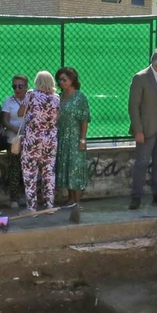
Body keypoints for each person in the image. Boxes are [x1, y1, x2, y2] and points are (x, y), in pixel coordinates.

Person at [126, 46, 157, 210]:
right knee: (142, 162)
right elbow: (133, 106)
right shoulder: (141, 78)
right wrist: (138, 130)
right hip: (147, 128)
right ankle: (136, 197)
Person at [19, 71, 61, 211]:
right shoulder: (56, 98)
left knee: (30, 173)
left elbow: (21, 112)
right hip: (50, 140)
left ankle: (32, 208)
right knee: (48, 173)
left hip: (32, 139)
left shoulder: (31, 94)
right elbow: (57, 117)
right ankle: (49, 206)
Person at [54, 66, 91, 220]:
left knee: (75, 168)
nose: (62, 82)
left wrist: (82, 139)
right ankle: (70, 199)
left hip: (75, 137)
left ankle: (77, 202)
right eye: (59, 80)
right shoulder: (59, 97)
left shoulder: (80, 97)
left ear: (72, 79)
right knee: (66, 168)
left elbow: (84, 119)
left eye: (65, 79)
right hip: (62, 137)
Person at [0, 75, 30, 209]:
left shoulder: (32, 99)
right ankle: (14, 198)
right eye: (14, 86)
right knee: (15, 168)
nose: (17, 89)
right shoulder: (9, 100)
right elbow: (5, 121)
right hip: (14, 139)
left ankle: (29, 197)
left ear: (26, 87)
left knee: (29, 169)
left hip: (30, 138)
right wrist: (15, 129)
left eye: (20, 86)